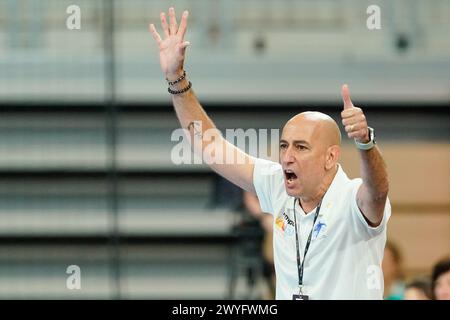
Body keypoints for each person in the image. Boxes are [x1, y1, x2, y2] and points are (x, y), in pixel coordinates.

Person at [149, 7, 390, 300]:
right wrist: (176, 78)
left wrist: (365, 142)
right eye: (284, 146)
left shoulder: (352, 200)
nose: (287, 156)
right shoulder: (278, 185)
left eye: (301, 147)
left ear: (330, 157)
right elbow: (211, 147)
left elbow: (377, 192)